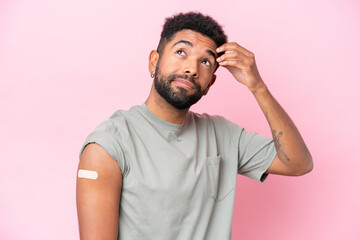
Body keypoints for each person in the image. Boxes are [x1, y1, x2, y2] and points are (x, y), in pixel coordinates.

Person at [76, 12, 313, 240]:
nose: (192, 69)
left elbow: (299, 163)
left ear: (210, 83)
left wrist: (257, 86)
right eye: (181, 52)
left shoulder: (223, 134)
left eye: (205, 61)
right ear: (153, 61)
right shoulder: (108, 145)